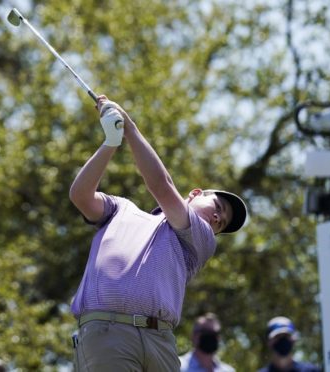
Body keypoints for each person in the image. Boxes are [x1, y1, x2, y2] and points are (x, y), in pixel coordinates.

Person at [68, 95, 248, 372]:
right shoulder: (120, 209)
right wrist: (111, 143)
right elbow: (81, 195)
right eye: (218, 207)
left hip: (159, 341)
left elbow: (161, 185)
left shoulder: (200, 239)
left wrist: (129, 128)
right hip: (108, 332)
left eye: (221, 222)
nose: (217, 218)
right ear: (196, 194)